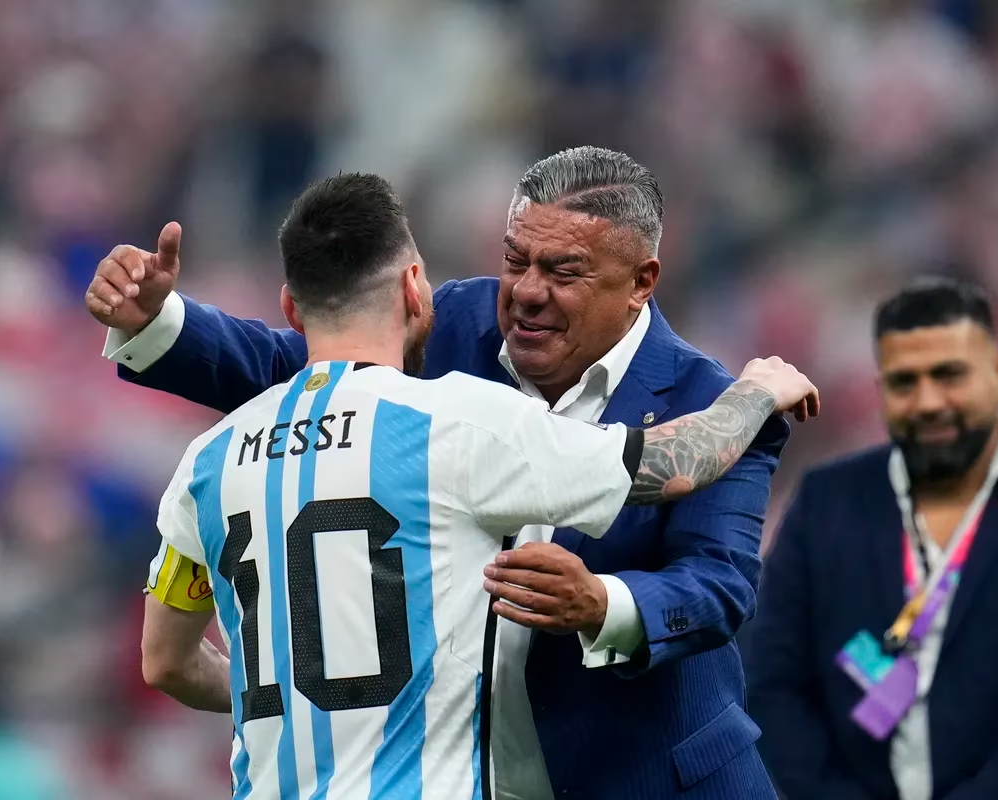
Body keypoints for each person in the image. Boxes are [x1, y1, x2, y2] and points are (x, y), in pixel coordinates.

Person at [89, 147, 791, 799]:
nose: (526, 292)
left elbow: (720, 584)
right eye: (517, 260)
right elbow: (313, 366)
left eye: (563, 271)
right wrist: (161, 324)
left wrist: (602, 605)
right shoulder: (453, 328)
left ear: (641, 281)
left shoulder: (705, 400)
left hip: (647, 778)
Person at [744, 278, 998, 800]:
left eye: (949, 376)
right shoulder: (826, 503)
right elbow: (774, 684)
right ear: (882, 393)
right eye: (906, 382)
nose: (928, 402)